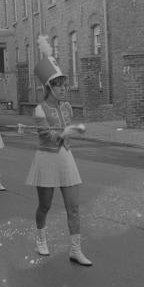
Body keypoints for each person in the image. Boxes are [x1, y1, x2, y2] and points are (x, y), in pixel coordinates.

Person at [25, 35, 91, 266]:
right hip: (46, 158)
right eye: (59, 85)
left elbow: (66, 132)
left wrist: (72, 130)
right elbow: (49, 136)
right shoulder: (39, 110)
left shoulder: (67, 107)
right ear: (49, 87)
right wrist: (65, 133)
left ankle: (75, 249)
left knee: (73, 207)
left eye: (64, 84)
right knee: (45, 205)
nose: (63, 89)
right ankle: (41, 238)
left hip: (65, 158)